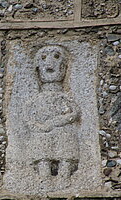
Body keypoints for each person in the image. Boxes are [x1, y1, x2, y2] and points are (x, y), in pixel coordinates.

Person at [25, 45, 80, 185]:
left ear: (64, 67)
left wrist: (59, 121)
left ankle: (64, 175)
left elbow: (75, 113)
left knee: (66, 136)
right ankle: (44, 176)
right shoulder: (35, 100)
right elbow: (28, 118)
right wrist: (38, 126)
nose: (49, 62)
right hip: (42, 132)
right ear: (37, 69)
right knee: (40, 142)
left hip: (61, 129)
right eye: (43, 58)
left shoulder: (65, 98)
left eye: (56, 57)